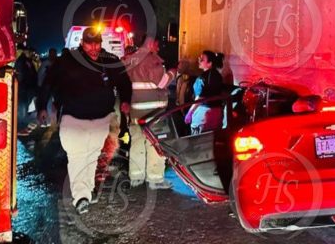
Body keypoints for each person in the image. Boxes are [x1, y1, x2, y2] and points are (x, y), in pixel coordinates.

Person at [37, 28, 132, 215]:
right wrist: (42, 106)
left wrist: (126, 100)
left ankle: (86, 193)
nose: (93, 48)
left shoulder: (110, 61)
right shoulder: (67, 61)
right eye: (89, 43)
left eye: (96, 43)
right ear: (82, 43)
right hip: (73, 119)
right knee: (77, 157)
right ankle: (80, 197)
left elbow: (124, 82)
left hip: (101, 119)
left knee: (91, 157)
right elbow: (49, 83)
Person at [122, 38, 175, 189]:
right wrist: (173, 72)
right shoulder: (151, 60)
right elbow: (162, 82)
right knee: (154, 143)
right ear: (151, 44)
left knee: (137, 142)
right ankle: (155, 179)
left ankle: (136, 177)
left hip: (136, 110)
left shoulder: (132, 60)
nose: (158, 48)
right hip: (153, 112)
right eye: (157, 44)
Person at [185, 50, 225, 135]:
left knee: (199, 141)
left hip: (203, 114)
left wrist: (189, 113)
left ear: (209, 63)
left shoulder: (202, 78)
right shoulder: (218, 76)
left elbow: (199, 98)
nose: (199, 60)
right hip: (217, 113)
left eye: (202, 59)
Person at [15, 47, 38, 136]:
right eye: (28, 51)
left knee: (25, 107)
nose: (30, 53)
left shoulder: (27, 60)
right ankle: (19, 128)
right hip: (24, 87)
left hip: (28, 87)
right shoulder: (21, 61)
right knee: (22, 108)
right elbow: (21, 74)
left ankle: (22, 126)